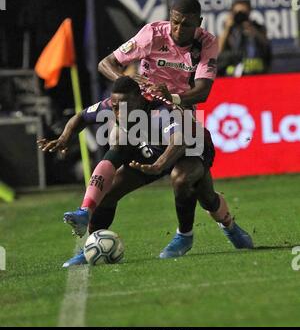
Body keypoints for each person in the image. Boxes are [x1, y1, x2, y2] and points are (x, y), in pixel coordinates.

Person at [38, 76, 253, 267]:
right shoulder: (113, 104)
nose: (117, 112)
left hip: (192, 146)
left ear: (139, 101)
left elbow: (179, 140)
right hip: (154, 149)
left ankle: (203, 232)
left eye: (123, 106)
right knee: (109, 190)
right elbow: (82, 117)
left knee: (192, 188)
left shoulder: (162, 111)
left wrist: (160, 165)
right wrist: (64, 138)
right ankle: (91, 245)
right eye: (114, 107)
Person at [98, 0, 220, 258]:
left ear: (198, 23)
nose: (178, 30)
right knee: (110, 190)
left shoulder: (206, 42)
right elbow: (106, 64)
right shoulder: (152, 34)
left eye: (186, 25)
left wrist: (172, 97)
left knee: (198, 190)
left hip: (183, 123)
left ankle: (193, 234)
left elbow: (203, 92)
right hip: (147, 124)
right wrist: (128, 84)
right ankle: (90, 239)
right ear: (169, 18)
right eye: (175, 22)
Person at [218, 0, 272, 77]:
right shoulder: (229, 28)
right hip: (233, 67)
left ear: (249, 12)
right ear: (232, 13)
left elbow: (266, 45)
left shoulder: (257, 27)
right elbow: (219, 49)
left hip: (253, 67)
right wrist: (227, 28)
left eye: (243, 12)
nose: (240, 15)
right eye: (237, 12)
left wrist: (253, 31)